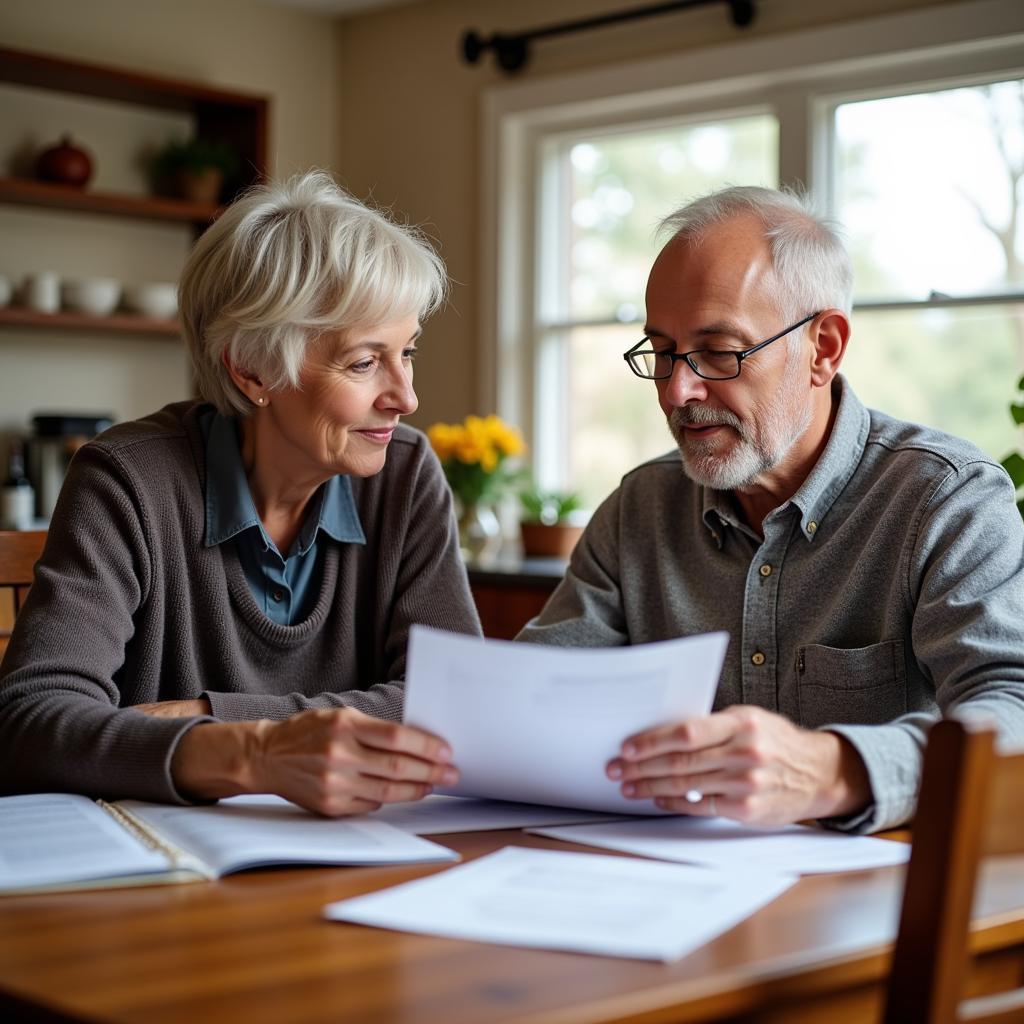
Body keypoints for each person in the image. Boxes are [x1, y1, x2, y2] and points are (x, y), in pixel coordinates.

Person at [518, 185, 1024, 834]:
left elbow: (1012, 709)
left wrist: (836, 769)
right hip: (663, 889)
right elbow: (537, 698)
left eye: (720, 351)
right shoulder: (638, 509)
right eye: (664, 352)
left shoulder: (943, 499)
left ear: (824, 348)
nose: (678, 390)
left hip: (884, 903)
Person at [0, 171, 480, 815]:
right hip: (164, 871)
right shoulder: (127, 479)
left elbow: (461, 702)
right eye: (365, 363)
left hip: (358, 856)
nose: (407, 397)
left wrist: (202, 714)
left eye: (407, 353)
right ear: (251, 368)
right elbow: (29, 724)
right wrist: (254, 754)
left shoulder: (405, 471)